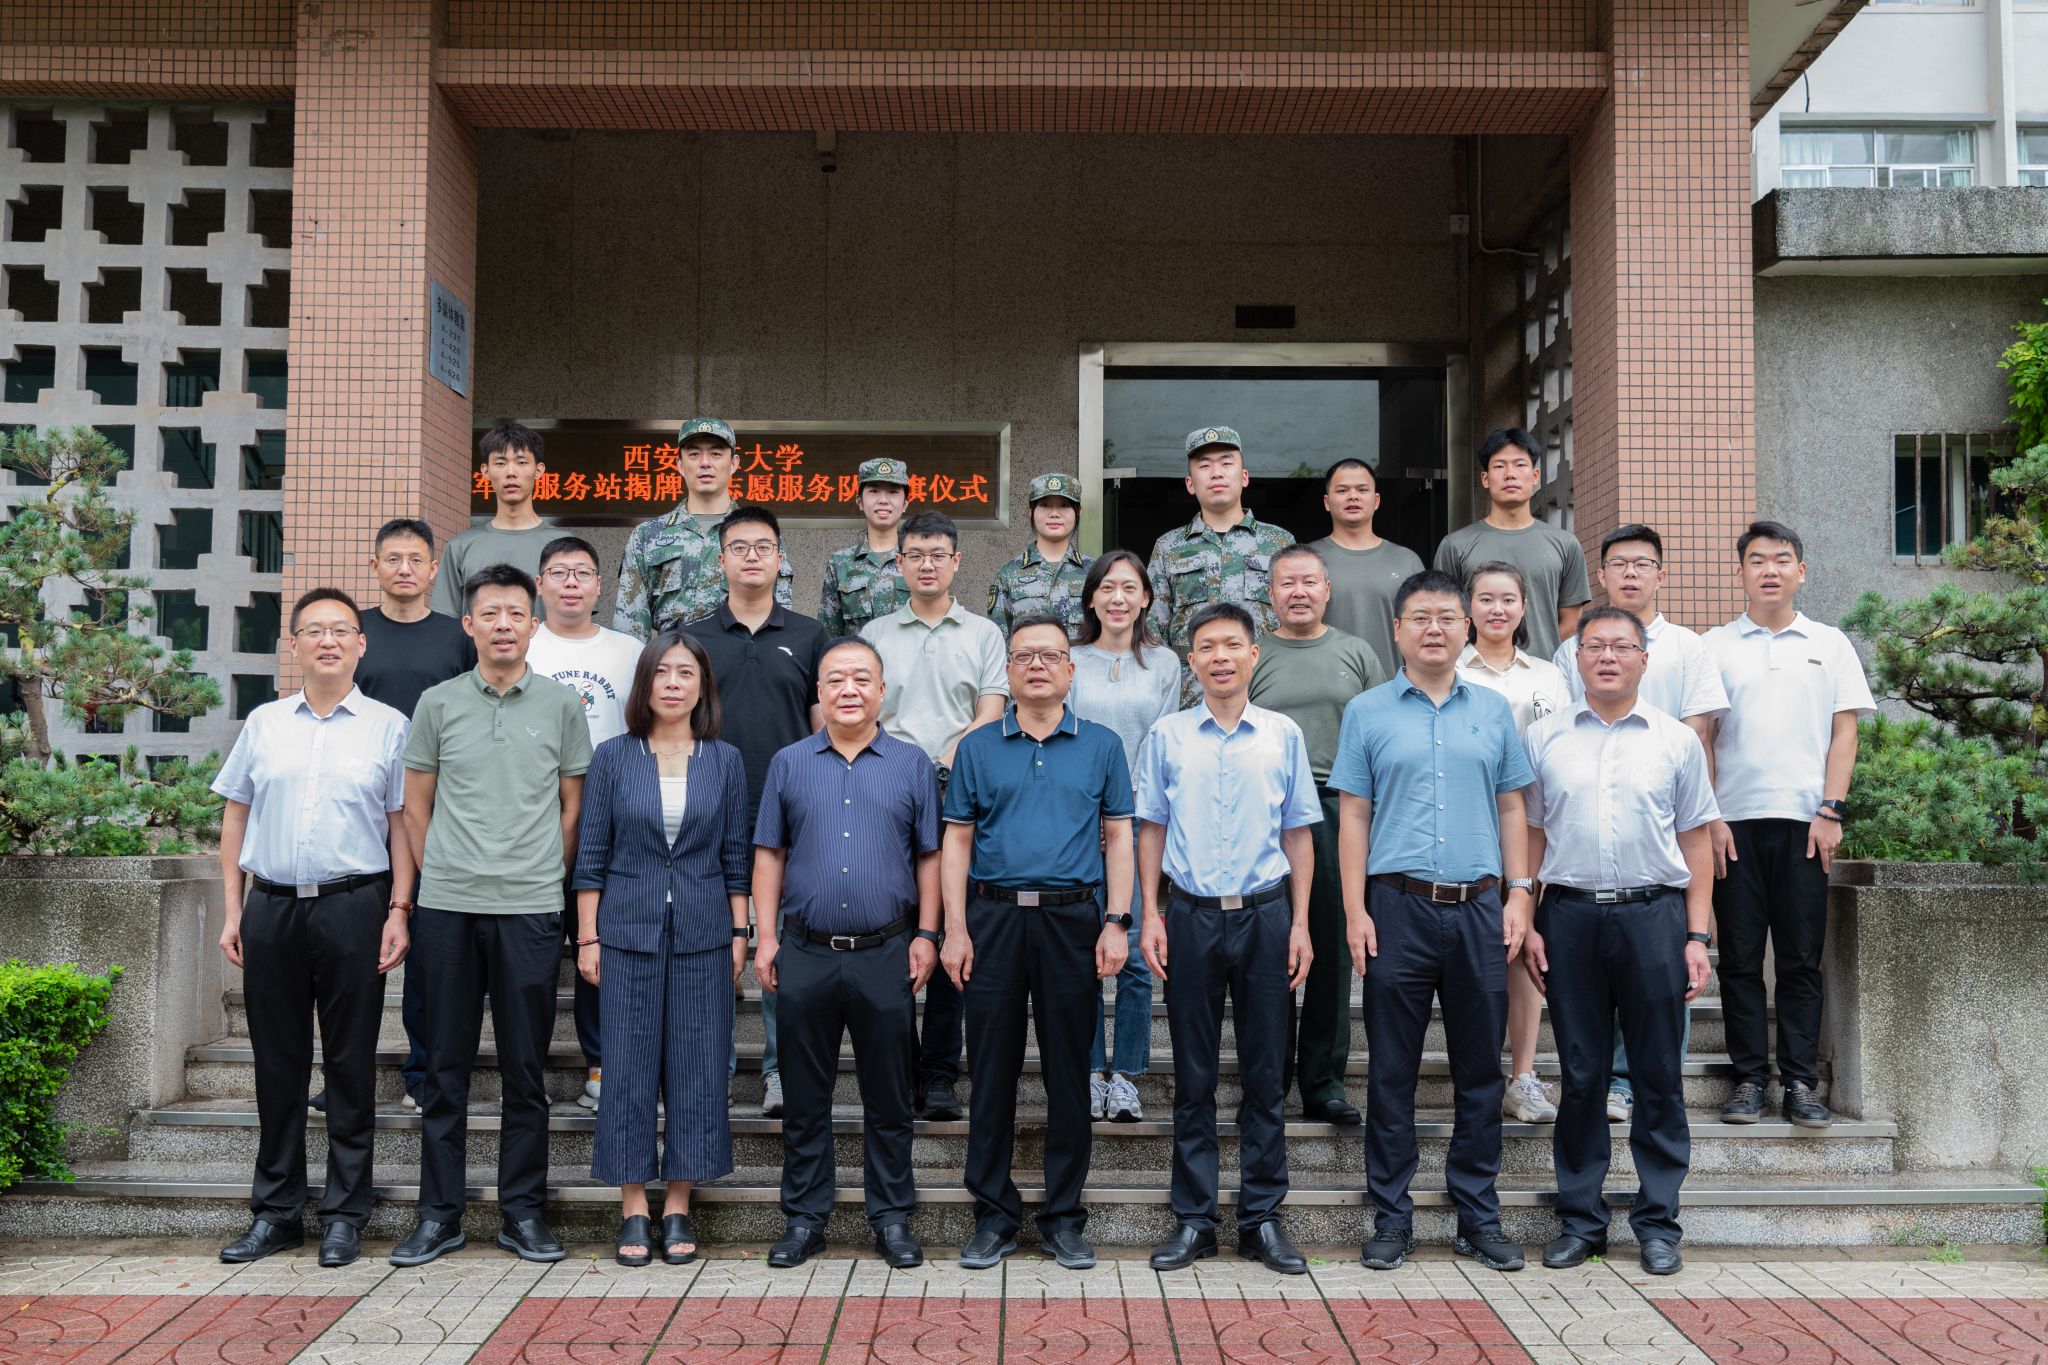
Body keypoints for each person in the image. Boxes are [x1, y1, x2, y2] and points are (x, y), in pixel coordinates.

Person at [1330, 568, 1535, 1275]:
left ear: (1466, 628)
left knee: (1481, 1070)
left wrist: (1519, 895)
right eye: (1420, 617)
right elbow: (1353, 816)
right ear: (1397, 629)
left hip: (1479, 906)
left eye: (1448, 616)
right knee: (1392, 1070)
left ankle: (1478, 1214)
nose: (1435, 628)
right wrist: (1354, 909)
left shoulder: (1494, 711)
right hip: (1397, 906)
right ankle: (1392, 1216)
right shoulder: (1367, 712)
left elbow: (1513, 805)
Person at [391, 564, 593, 1268]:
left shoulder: (562, 705)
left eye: (515, 613)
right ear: (469, 624)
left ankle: (523, 1212)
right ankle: (438, 1215)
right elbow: (416, 805)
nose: (503, 624)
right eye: (490, 613)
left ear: (534, 624)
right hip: (447, 909)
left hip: (530, 909)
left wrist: (541, 874)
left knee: (525, 1071)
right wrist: (442, 874)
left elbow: (571, 807)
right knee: (444, 1070)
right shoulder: (438, 703)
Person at [212, 588, 413, 1270]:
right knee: (278, 1065)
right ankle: (276, 1213)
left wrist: (399, 909)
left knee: (350, 1065)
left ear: (361, 644)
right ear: (293, 644)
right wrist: (235, 910)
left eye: (341, 630)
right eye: (314, 630)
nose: (328, 641)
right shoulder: (265, 723)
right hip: (271, 906)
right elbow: (235, 815)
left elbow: (401, 824)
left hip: (355, 904)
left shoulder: (389, 726)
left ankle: (345, 1215)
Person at [1520, 606, 1721, 1277]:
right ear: (1576, 658)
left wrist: (1696, 934)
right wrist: (1530, 916)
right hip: (1570, 918)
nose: (1607, 656)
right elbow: (1533, 833)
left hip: (1653, 916)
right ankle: (1581, 1221)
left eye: (1621, 646)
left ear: (1643, 659)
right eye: (1595, 646)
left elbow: (1696, 840)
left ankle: (1658, 1224)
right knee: (1581, 1075)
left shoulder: (1676, 740)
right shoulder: (1545, 737)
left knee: (1658, 1074)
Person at [942, 615, 1135, 1271]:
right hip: (993, 919)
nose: (1037, 666)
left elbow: (1120, 834)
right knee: (991, 1072)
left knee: (1068, 1075)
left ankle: (1063, 1218)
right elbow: (957, 841)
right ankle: (993, 1217)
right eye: (1024, 655)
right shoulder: (977, 748)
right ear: (1008, 670)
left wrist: (1117, 920)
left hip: (1073, 920)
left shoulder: (1102, 745)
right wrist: (955, 927)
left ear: (1070, 669)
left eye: (1050, 655)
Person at [1135, 603, 1317, 1276]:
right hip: (1191, 916)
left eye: (1232, 645)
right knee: (1194, 1076)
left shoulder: (1282, 734)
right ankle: (1195, 1219)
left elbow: (1298, 832)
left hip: (1266, 915)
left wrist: (1301, 922)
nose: (1220, 657)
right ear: (1191, 660)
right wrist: (1150, 915)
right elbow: (1150, 827)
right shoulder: (1168, 735)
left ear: (1253, 654)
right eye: (1207, 646)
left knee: (1266, 1074)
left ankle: (1262, 1218)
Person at [753, 638, 943, 1271]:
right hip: (804, 950)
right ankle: (806, 1219)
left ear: (882, 690)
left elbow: (930, 856)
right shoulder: (789, 762)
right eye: (836, 679)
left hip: (885, 951)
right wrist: (766, 937)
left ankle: (891, 1218)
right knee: (805, 1096)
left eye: (862, 678)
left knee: (888, 1096)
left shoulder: (911, 765)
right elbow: (770, 853)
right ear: (820, 692)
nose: (849, 690)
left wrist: (928, 935)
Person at [572, 631, 752, 1268]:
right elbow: (591, 854)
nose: (673, 683)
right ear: (644, 682)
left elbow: (736, 855)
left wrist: (740, 933)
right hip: (626, 931)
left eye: (686, 673)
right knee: (626, 1067)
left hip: (705, 933)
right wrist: (587, 936)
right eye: (662, 672)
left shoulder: (724, 760)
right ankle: (633, 1207)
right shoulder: (614, 757)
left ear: (703, 687)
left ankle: (678, 1203)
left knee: (699, 1067)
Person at [1549, 524, 1729, 1124]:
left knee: (1658, 1027)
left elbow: (1700, 734)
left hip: (1661, 827)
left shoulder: (1687, 651)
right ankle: (1599, 1112)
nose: (1630, 573)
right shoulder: (1563, 677)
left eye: (1642, 563)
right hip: (1579, 866)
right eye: (1618, 563)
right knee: (1583, 1040)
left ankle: (1635, 1097)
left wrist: (1705, 816)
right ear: (1600, 574)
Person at [1705, 520, 1873, 1129]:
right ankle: (1750, 1079)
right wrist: (1710, 817)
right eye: (1757, 560)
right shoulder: (1713, 646)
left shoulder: (1829, 643)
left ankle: (1801, 1083)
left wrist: (1832, 810)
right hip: (1734, 825)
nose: (1769, 570)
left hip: (1807, 825)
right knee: (1739, 959)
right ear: (1741, 572)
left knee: (1801, 959)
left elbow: (1844, 733)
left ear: (1801, 571)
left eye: (1781, 560)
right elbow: (1702, 738)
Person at [859, 509, 1007, 1121]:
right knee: (895, 926)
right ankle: (900, 1066)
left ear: (956, 562)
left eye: (937, 554)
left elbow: (992, 710)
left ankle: (941, 1073)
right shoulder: (874, 633)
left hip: (959, 790)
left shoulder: (984, 633)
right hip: (885, 789)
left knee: (951, 924)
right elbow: (861, 707)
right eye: (915, 554)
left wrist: (947, 757)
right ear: (899, 563)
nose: (926, 564)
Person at [683, 506, 829, 1120]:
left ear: (780, 559)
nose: (751, 556)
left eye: (763, 546)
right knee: (712, 949)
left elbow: (823, 728)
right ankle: (709, 1071)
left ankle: (777, 1071)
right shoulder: (693, 638)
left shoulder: (811, 635)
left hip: (788, 816)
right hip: (707, 813)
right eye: (739, 547)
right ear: (720, 559)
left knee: (780, 950)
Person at [1246, 544, 1386, 1125]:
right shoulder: (1253, 654)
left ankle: (1324, 1082)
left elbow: (1381, 733)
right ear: (1270, 594)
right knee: (1269, 947)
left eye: (1309, 581)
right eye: (1287, 583)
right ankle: (1267, 1079)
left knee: (1329, 946)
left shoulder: (1357, 652)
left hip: (1337, 808)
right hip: (1264, 812)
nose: (1298, 592)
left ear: (1327, 590)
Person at [352, 518, 475, 1117]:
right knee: (355, 956)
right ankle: (346, 1074)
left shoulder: (457, 638)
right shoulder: (355, 633)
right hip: (360, 813)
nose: (405, 568)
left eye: (416, 559)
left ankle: (423, 1072)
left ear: (433, 570)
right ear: (374, 566)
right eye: (393, 558)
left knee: (427, 956)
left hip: (433, 815)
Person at [527, 535, 644, 1113]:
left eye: (582, 572)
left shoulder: (630, 651)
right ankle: (528, 1070)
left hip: (614, 824)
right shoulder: (522, 645)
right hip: (534, 822)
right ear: (540, 584)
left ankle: (602, 1067)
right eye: (559, 572)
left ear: (600, 586)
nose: (571, 582)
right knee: (535, 956)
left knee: (601, 949)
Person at [1069, 550, 1182, 1123]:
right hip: (1076, 822)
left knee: (1136, 950)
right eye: (1107, 587)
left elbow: (1163, 744)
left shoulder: (1164, 663)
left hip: (1137, 820)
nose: (1118, 598)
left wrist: (1140, 815)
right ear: (1092, 597)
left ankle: (1127, 1075)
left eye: (1130, 588)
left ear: (1145, 599)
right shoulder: (1069, 659)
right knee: (1083, 951)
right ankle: (1091, 1071)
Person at [1456, 562, 1570, 1126]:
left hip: (1534, 827)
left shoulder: (1549, 676)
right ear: (1468, 607)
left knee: (1524, 945)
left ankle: (1522, 1074)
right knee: (1475, 949)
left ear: (1524, 608)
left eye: (1508, 599)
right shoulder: (1450, 667)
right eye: (1485, 598)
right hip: (1465, 826)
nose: (1496, 609)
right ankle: (1477, 1071)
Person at [614, 418, 794, 636]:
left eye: (716, 454)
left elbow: (780, 619)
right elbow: (630, 627)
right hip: (675, 653)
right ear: (680, 465)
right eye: (694, 454)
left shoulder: (761, 535)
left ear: (734, 463)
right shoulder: (647, 536)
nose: (705, 463)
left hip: (741, 654)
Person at [1147, 426, 1296, 672]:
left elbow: (1296, 618)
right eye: (1205, 466)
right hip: (1190, 682)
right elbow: (1153, 628)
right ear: (1190, 484)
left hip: (1264, 677)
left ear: (1244, 477)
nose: (1216, 473)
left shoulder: (1280, 542)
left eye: (1226, 463)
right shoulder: (1168, 546)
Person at [1431, 428, 1590, 658]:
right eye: (1499, 466)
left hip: (1543, 673)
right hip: (1474, 673)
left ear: (1535, 476)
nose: (1510, 474)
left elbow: (1571, 622)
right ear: (1485, 479)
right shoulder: (1455, 546)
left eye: (1520, 465)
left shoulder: (1566, 545)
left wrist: (1539, 664)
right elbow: (1446, 616)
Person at [431, 423, 558, 621]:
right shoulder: (460, 546)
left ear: (538, 470)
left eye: (521, 462)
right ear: (485, 471)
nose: (511, 472)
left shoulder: (563, 545)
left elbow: (576, 621)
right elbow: (444, 624)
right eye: (500, 463)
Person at [1312, 458, 1423, 677]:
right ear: (1327, 502)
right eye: (1342, 490)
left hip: (1391, 687)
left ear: (1376, 500)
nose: (1353, 496)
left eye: (1362, 490)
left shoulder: (1406, 561)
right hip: (1323, 685)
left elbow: (1423, 630)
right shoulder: (1307, 560)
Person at [987, 472, 1093, 639]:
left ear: (1078, 511)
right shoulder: (1008, 574)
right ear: (1030, 511)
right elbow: (998, 639)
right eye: (1044, 505)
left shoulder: (1095, 572)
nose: (1054, 514)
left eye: (1064, 505)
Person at [817, 457, 911, 638]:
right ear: (860, 501)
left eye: (893, 492)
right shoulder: (840, 562)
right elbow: (829, 633)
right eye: (874, 491)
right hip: (857, 657)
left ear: (905, 503)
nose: (883, 500)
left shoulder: (918, 558)